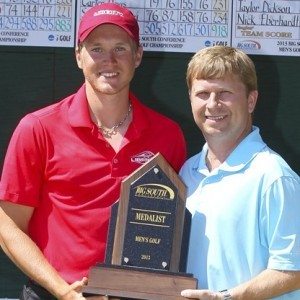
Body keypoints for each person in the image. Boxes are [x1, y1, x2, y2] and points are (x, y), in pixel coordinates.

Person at [0, 3, 186, 300]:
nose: (109, 60)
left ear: (138, 56)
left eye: (121, 49)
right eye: (96, 48)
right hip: (55, 293)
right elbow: (7, 224)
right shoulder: (37, 128)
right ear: (78, 56)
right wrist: (62, 291)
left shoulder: (168, 135)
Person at [179, 46, 300, 299]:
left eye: (224, 93)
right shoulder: (186, 173)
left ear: (251, 100)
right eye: (202, 94)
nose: (213, 104)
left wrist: (227, 297)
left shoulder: (275, 177)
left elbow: (294, 270)